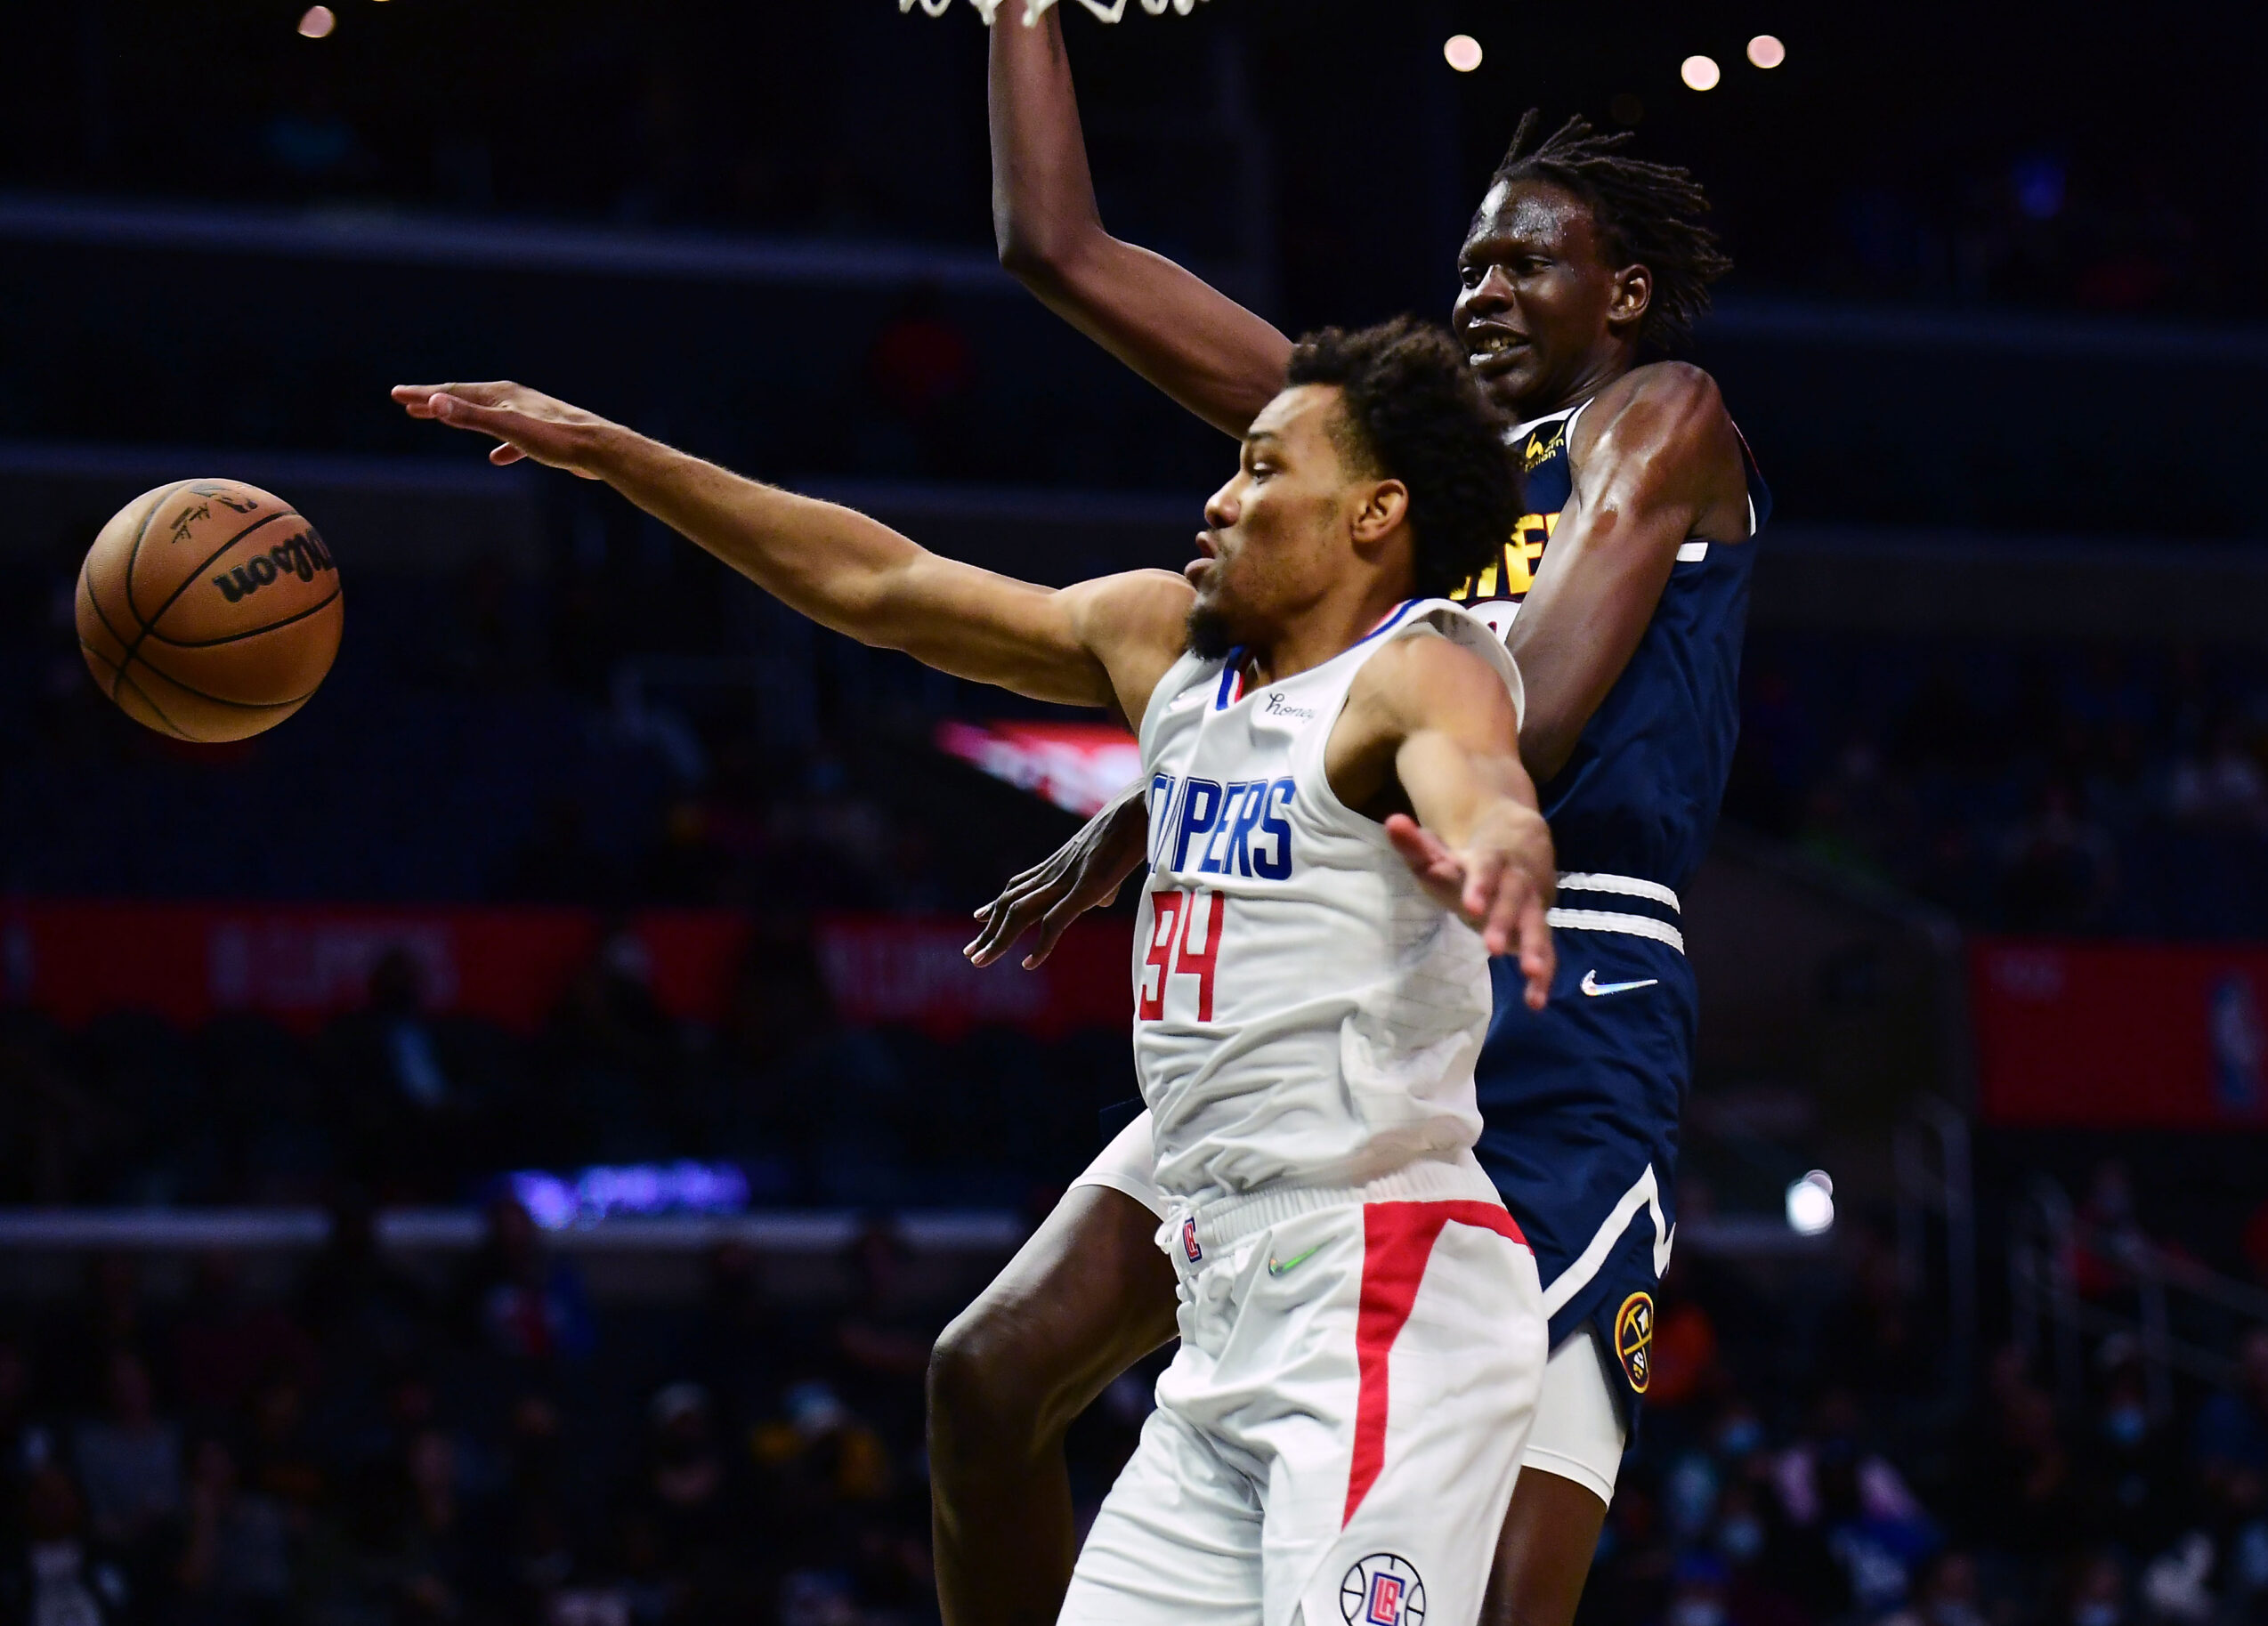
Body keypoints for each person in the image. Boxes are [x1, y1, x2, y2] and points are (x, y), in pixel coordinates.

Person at [394, 314, 1562, 1626]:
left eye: (1261, 469)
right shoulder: (1165, 647)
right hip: (1220, 1275)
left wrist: (1502, 842)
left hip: (1381, 1275)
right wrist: (616, 456)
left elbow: (1479, 773)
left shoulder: (1417, 668)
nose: (1219, 498)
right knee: (988, 1375)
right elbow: (879, 586)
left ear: (1374, 513)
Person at [938, 14, 1770, 1626]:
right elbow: (1059, 248)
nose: (1483, 290)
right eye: (1470, 262)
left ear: (1625, 296)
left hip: (1562, 987)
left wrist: (1231, 760)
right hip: (1357, 957)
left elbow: (1511, 714)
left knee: (1506, 1598)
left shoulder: (1660, 416)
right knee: (992, 1375)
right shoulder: (1408, 462)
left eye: (1530, 264)